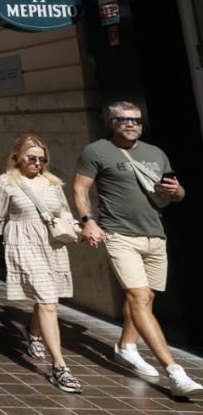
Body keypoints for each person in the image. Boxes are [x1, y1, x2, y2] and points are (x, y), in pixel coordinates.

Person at [73, 101, 201, 398]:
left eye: (135, 120)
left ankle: (125, 346)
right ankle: (175, 371)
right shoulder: (97, 151)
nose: (130, 124)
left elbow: (176, 193)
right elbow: (80, 189)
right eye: (123, 120)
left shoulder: (155, 153)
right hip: (119, 234)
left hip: (155, 235)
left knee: (147, 297)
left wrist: (177, 192)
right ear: (112, 123)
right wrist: (87, 222)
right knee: (139, 296)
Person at [0, 134, 81, 393]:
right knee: (47, 302)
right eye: (31, 158)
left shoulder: (53, 183)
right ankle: (60, 367)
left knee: (48, 298)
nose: (37, 163)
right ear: (18, 158)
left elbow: (64, 212)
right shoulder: (6, 183)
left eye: (42, 159)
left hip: (52, 245)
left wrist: (79, 228)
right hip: (23, 243)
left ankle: (33, 333)